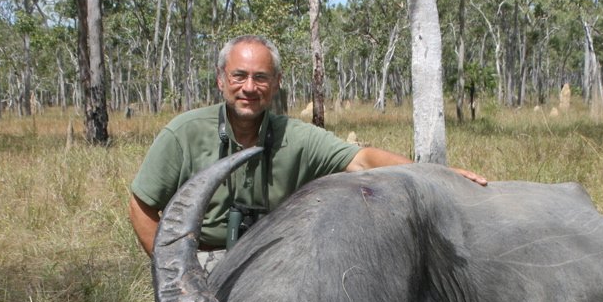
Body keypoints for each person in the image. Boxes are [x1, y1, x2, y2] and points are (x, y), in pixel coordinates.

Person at [128, 34, 486, 255]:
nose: (249, 87)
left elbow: (362, 159)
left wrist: (434, 175)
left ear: (277, 82)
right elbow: (142, 205)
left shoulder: (294, 136)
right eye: (239, 76)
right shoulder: (183, 133)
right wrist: (173, 269)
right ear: (222, 79)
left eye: (261, 77)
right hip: (200, 258)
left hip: (271, 261)